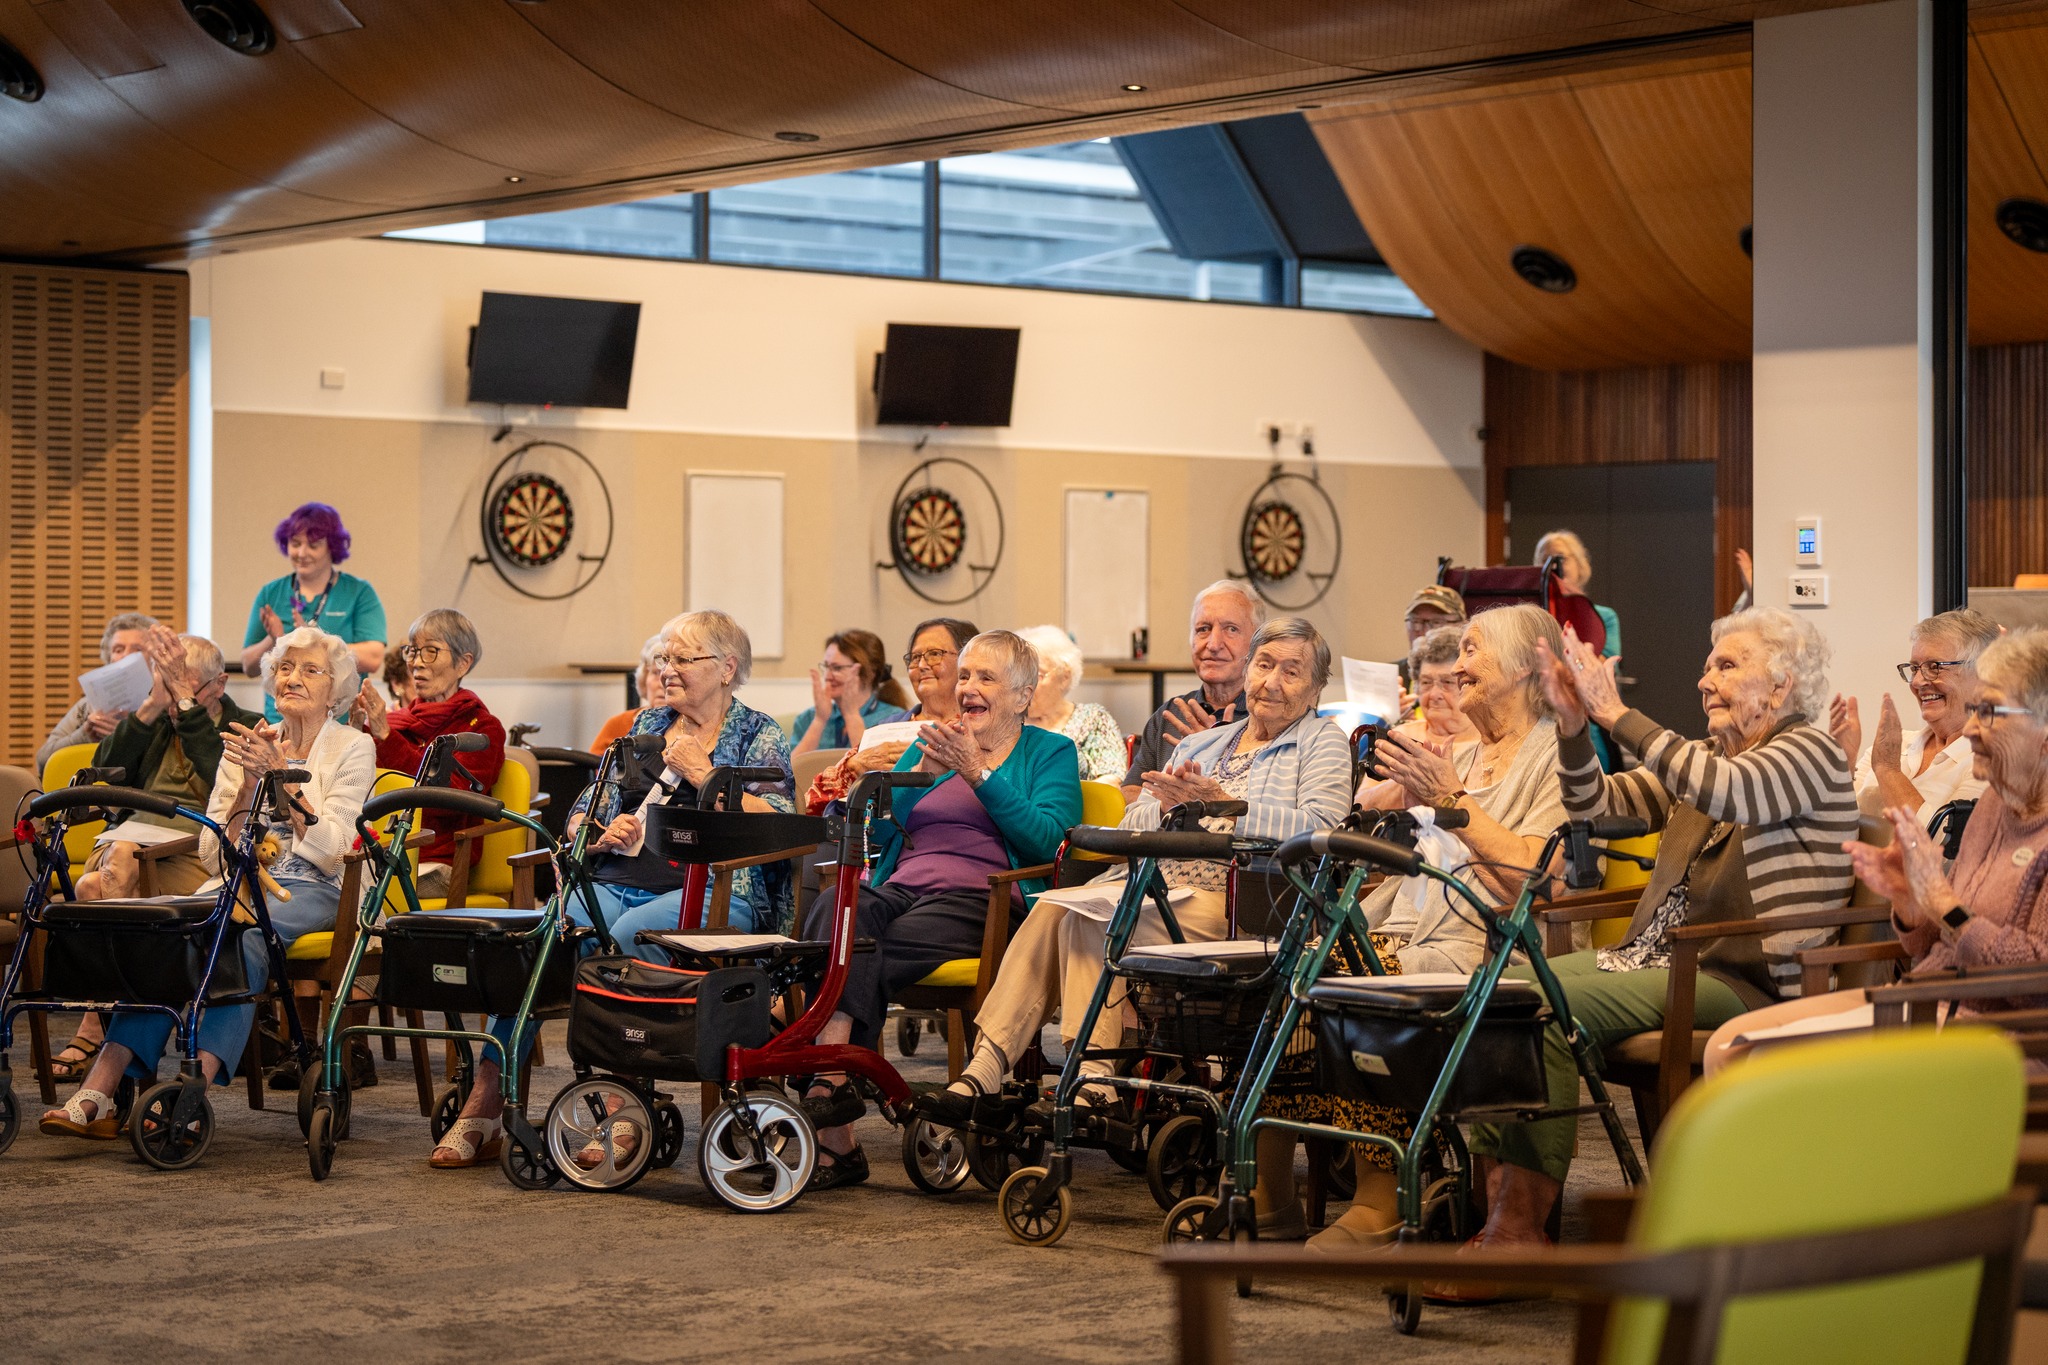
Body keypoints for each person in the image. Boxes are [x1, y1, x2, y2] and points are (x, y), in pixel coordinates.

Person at [1448, 606, 1854, 1267]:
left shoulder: (1809, 752)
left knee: (1546, 1002)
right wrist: (1578, 730)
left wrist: (1616, 715)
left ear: (1779, 687)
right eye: (1705, 665)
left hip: (1744, 982)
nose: (1704, 680)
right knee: (1503, 985)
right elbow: (1594, 806)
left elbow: (1733, 793)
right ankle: (1493, 1207)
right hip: (1658, 962)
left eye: (1726, 665)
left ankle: (1518, 1229)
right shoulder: (1705, 760)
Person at [918, 617, 1349, 1135]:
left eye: (1291, 671)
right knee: (1059, 906)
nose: (1272, 681)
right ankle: (990, 1069)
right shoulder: (1205, 744)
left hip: (1246, 900)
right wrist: (1169, 807)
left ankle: (1093, 1079)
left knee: (1091, 922)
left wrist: (1226, 807)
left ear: (1316, 687)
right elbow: (1135, 821)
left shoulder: (1322, 741)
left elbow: (1323, 829)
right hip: (1160, 884)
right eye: (1263, 665)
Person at [429, 611, 795, 1170]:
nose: (668, 670)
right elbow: (579, 815)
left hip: (717, 895)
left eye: (683, 659)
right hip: (615, 880)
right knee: (539, 940)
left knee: (629, 938)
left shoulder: (757, 733)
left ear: (727, 668)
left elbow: (778, 824)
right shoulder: (644, 727)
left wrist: (704, 776)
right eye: (665, 659)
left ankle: (625, 1107)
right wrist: (599, 834)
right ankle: (485, 1101)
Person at [1264, 605, 1568, 1248]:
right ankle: (1271, 1190)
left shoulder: (1555, 760)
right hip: (1402, 929)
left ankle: (1381, 1200)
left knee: (1351, 978)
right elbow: (1393, 849)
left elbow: (1532, 883)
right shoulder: (1456, 751)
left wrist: (1451, 799)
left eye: (1474, 652)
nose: (1457, 668)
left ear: (1523, 667)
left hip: (1480, 948)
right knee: (1290, 963)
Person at [40, 627, 375, 1141]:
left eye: (311, 670)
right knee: (166, 938)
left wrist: (283, 777)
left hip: (315, 888)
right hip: (237, 882)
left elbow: (339, 849)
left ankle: (192, 1090)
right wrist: (245, 790)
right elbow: (212, 850)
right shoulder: (246, 744)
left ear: (336, 690)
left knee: (244, 939)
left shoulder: (354, 747)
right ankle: (101, 1089)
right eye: (285, 668)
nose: (293, 678)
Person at [799, 630, 1082, 1190]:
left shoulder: (1050, 752)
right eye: (967, 675)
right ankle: (835, 1082)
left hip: (984, 900)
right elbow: (878, 830)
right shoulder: (938, 742)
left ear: (1023, 696)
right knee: (839, 911)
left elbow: (1051, 844)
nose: (967, 688)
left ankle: (829, 1093)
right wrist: (915, 780)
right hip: (905, 887)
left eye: (986, 678)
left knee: (866, 949)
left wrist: (979, 773)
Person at [1704, 628, 2048, 1074]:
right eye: (1976, 710)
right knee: (1729, 1046)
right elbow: (1931, 946)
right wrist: (1910, 901)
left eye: (1990, 711)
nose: (1973, 728)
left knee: (1763, 1060)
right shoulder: (1992, 808)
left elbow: (2034, 980)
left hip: (2004, 1040)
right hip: (1931, 1003)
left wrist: (1944, 904)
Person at [48, 628, 259, 1082]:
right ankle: (118, 1028)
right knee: (100, 875)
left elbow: (219, 771)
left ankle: (97, 1025)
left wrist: (187, 709)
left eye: (188, 686)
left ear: (219, 685)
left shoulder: (244, 725)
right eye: (163, 682)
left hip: (197, 853)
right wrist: (150, 706)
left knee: (94, 886)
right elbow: (106, 768)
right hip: (134, 845)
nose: (173, 697)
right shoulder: (157, 717)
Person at [349, 609, 505, 899]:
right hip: (381, 852)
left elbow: (448, 800)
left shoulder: (482, 729)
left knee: (362, 896)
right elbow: (365, 786)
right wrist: (356, 733)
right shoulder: (399, 722)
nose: (416, 663)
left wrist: (385, 736)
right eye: (413, 651)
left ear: (463, 663)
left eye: (431, 651)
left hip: (438, 861)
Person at [1829, 608, 1999, 826]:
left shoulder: (1992, 760)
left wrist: (1889, 772)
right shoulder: (1896, 745)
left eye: (1934, 667)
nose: (1917, 682)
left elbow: (1946, 844)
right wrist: (1843, 765)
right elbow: (1835, 827)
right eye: (1915, 668)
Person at [802, 618, 977, 816]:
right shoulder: (888, 727)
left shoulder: (981, 725)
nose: (921, 665)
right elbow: (812, 804)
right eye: (914, 657)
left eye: (935, 654)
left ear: (968, 662)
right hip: (884, 837)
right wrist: (853, 767)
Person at [241, 502, 385, 720]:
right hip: (281, 721)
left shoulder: (358, 592)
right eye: (295, 543)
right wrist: (276, 640)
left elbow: (373, 657)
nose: (301, 553)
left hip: (339, 721)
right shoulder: (270, 593)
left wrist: (314, 642)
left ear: (332, 547)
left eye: (313, 545)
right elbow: (248, 666)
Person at [1123, 581, 1265, 801]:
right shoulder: (1169, 714)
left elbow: (1265, 806)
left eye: (1231, 629)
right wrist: (1174, 803)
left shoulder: (1268, 715)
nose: (1213, 644)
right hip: (1166, 833)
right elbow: (1130, 792)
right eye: (1203, 629)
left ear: (1257, 642)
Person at [35, 612, 158, 775]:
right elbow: (43, 760)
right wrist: (86, 734)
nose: (126, 656)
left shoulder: (163, 706)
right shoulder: (86, 706)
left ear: (154, 657)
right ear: (109, 658)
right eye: (118, 649)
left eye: (137, 649)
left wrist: (125, 737)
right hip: (86, 795)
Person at [1018, 623, 1126, 784]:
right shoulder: (1005, 720)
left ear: (1065, 677)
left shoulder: (1092, 719)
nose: (1024, 685)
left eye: (1036, 675)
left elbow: (1111, 779)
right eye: (1018, 675)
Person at [791, 629, 913, 755]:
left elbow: (875, 769)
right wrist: (819, 721)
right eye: (826, 667)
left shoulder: (895, 719)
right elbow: (789, 773)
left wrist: (851, 714)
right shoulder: (808, 718)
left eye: (837, 668)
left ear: (870, 673)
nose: (827, 676)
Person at [1379, 625, 1474, 774]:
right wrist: (1409, 776)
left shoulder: (1488, 744)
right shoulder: (1399, 737)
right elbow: (1363, 797)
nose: (1434, 694)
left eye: (1447, 682)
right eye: (1426, 682)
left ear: (1470, 684)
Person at [1534, 529, 1621, 660]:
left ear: (1579, 565)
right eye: (1546, 560)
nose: (1553, 567)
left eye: (1561, 559)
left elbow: (1605, 663)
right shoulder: (1531, 615)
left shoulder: (1605, 617)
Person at [591, 634, 667, 752]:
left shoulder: (691, 728)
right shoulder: (617, 724)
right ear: (644, 678)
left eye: (669, 675)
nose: (662, 684)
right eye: (656, 673)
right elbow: (591, 768)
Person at [1396, 585, 1467, 686]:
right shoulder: (1389, 677)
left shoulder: (1472, 679)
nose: (1425, 631)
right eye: (1416, 621)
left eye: (1437, 622)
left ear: (1462, 626)